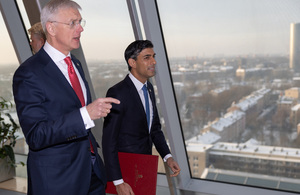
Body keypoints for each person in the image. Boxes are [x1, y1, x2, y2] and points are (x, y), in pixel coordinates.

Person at [13, 0, 119, 194]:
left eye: (80, 22)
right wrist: (85, 115)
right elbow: (36, 135)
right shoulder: (28, 73)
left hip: (92, 173)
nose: (80, 29)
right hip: (58, 182)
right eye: (72, 23)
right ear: (51, 28)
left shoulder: (75, 64)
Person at [102, 40, 181, 195]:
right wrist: (118, 182)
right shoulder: (118, 93)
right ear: (132, 62)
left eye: (153, 56)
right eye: (146, 57)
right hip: (126, 172)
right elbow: (108, 141)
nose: (153, 61)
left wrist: (168, 157)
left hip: (144, 167)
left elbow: (154, 129)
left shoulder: (149, 88)